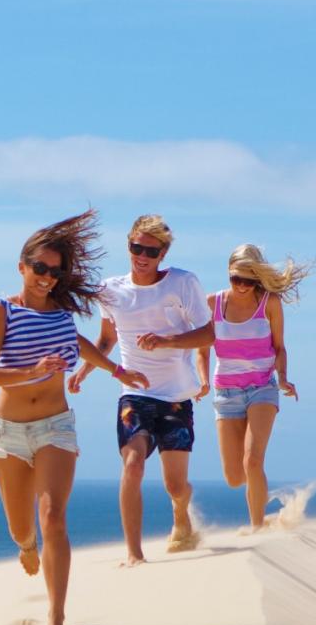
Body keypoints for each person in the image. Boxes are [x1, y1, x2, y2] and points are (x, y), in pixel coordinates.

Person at [0, 209, 149, 625]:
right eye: (39, 268)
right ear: (22, 267)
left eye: (54, 271)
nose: (46, 277)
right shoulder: (2, 311)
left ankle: (56, 617)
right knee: (23, 529)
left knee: (53, 515)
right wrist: (30, 370)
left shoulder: (61, 314)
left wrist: (117, 371)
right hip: (9, 431)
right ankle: (26, 545)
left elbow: (79, 344)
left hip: (55, 425)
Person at [69, 215, 213, 566]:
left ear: (163, 253)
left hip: (177, 397)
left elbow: (208, 334)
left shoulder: (183, 283)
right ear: (128, 245)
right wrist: (85, 369)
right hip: (134, 393)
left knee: (176, 487)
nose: (142, 256)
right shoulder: (111, 290)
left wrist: (168, 340)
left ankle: (181, 513)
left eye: (151, 250)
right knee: (132, 464)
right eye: (136, 247)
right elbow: (105, 339)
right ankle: (134, 554)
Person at [196, 243, 313, 530]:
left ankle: (258, 529)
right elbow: (202, 351)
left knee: (253, 459)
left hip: (262, 388)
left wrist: (283, 377)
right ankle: (263, 502)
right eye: (237, 279)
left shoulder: (270, 303)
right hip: (226, 393)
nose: (243, 286)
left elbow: (280, 347)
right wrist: (202, 381)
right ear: (228, 273)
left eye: (249, 280)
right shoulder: (213, 304)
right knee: (235, 476)